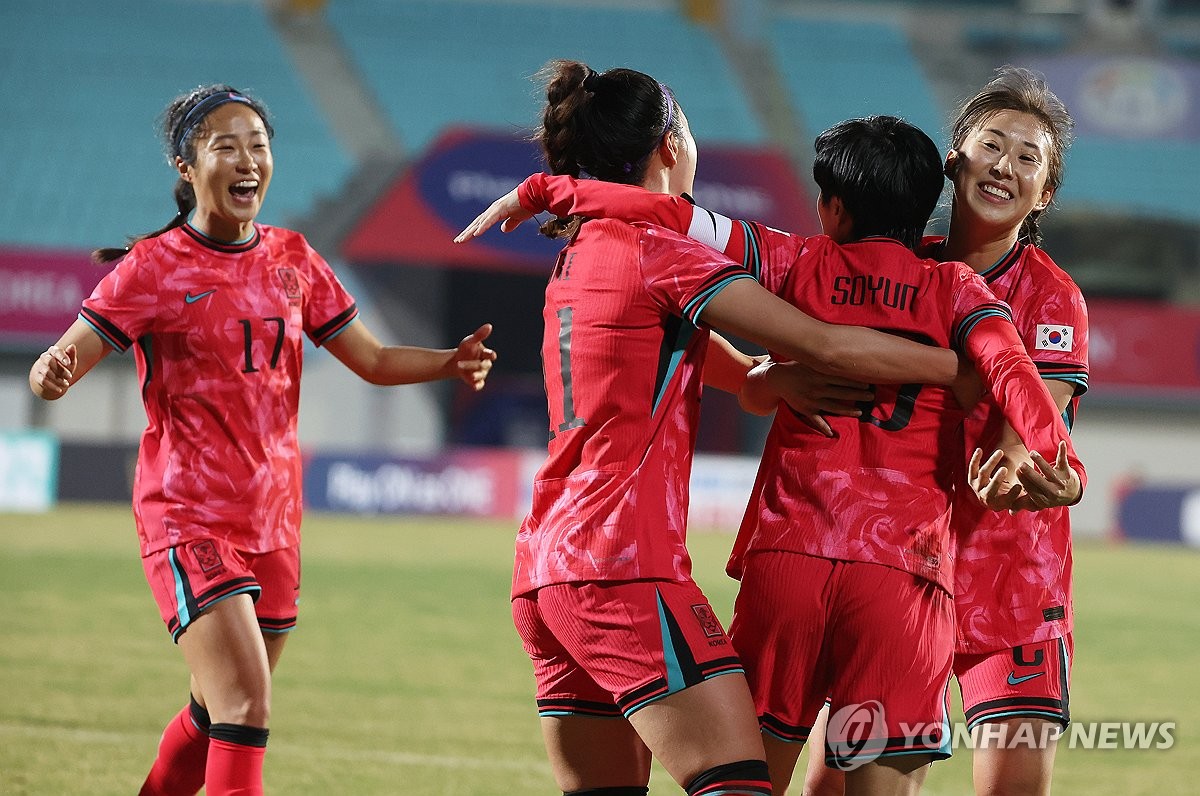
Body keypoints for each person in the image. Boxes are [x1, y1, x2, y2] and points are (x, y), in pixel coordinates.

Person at [462, 113, 1085, 796]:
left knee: (749, 779)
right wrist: (1060, 456)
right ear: (945, 172)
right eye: (992, 147)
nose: (1003, 165)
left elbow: (677, 216)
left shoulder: (797, 258)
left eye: (1026, 156)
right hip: (906, 573)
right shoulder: (959, 290)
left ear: (831, 208)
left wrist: (551, 192)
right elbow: (1016, 377)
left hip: (794, 558)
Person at [28, 84, 496, 796]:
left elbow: (370, 360)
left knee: (214, 710)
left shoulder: (294, 257)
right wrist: (49, 375)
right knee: (246, 708)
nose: (248, 160)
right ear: (185, 165)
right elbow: (61, 363)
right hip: (188, 517)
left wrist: (446, 361)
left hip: (274, 522)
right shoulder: (153, 266)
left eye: (258, 144)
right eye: (226, 145)